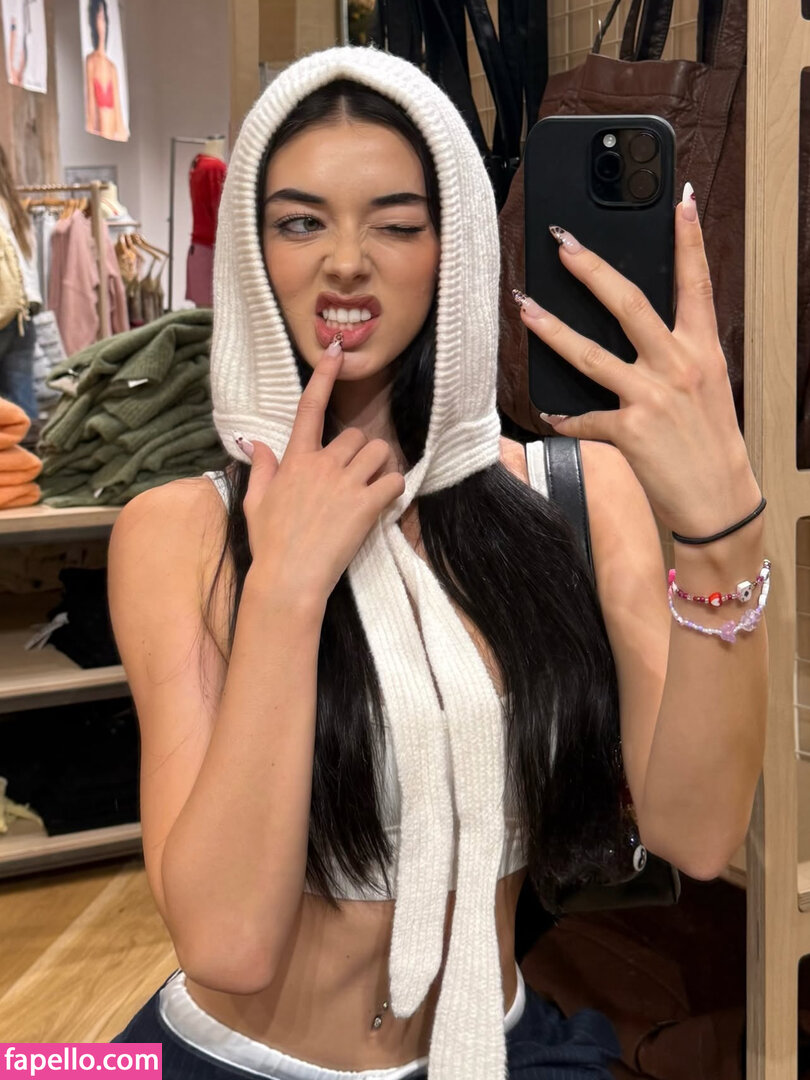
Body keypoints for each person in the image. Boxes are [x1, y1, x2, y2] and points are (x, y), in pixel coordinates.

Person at [105, 45, 768, 1080]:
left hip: (497, 1048)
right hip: (229, 1060)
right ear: (251, 250)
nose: (345, 261)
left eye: (397, 223)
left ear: (454, 242)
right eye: (300, 222)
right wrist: (286, 587)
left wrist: (721, 524)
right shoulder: (178, 531)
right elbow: (226, 943)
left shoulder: (574, 497)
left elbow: (697, 832)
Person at [0, 143, 40, 423]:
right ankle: (32, 450)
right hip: (23, 315)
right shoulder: (14, 208)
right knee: (22, 398)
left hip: (3, 313)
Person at [84, 0, 127, 142]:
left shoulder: (112, 67)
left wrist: (122, 134)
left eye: (104, 18)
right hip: (98, 132)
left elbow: (118, 111)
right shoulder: (90, 61)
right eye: (98, 17)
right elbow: (90, 104)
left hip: (113, 131)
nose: (102, 23)